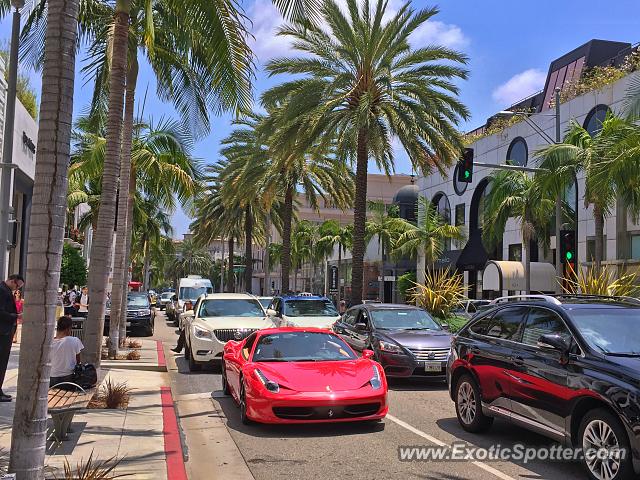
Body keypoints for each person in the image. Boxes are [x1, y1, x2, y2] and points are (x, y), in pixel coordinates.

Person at [0, 274, 24, 402]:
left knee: (3, 363)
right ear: (13, 281)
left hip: (5, 332)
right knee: (2, 362)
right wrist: (16, 316)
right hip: (3, 332)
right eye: (17, 286)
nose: (17, 290)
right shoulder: (3, 290)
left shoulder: (5, 290)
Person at [50, 316, 84, 388]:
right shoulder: (75, 340)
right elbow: (78, 361)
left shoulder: (50, 342)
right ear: (68, 328)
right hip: (68, 378)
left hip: (51, 378)